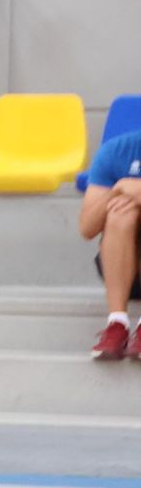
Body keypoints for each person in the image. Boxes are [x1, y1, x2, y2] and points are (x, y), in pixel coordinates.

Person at [79, 126, 141, 359]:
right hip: (123, 271)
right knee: (119, 213)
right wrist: (117, 190)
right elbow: (87, 228)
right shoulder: (118, 150)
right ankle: (117, 323)